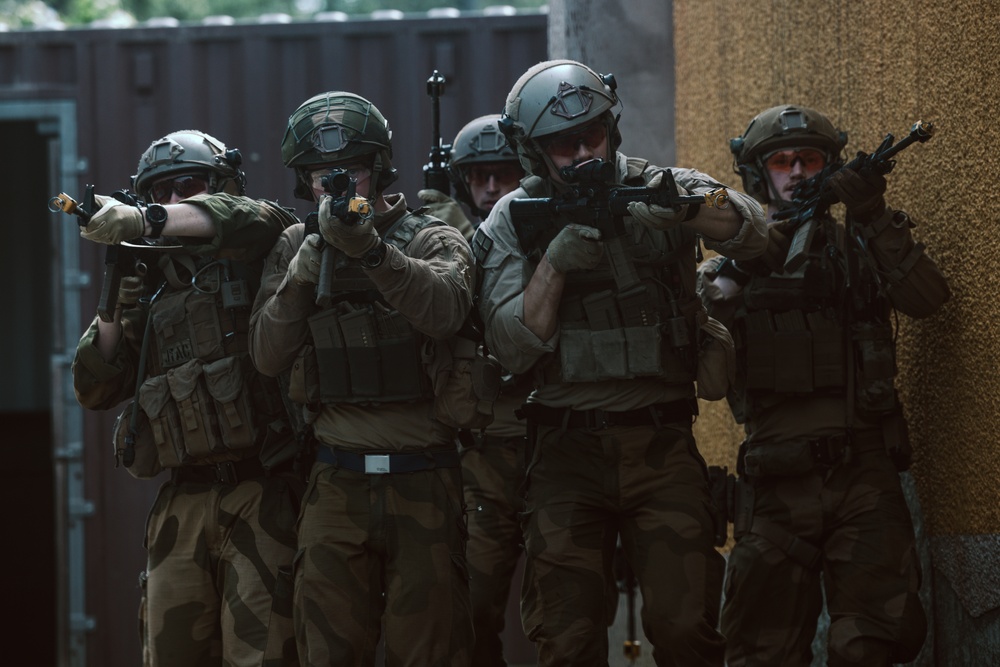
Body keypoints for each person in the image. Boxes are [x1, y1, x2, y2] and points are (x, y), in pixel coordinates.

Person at [474, 59, 768, 666]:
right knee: (567, 638)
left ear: (613, 128)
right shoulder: (512, 217)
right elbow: (508, 345)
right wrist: (554, 264)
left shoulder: (666, 183)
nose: (583, 153)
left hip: (660, 445)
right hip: (562, 453)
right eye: (563, 144)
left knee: (686, 629)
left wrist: (685, 209)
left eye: (593, 136)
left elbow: (754, 229)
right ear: (532, 152)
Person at [698, 104, 949, 666]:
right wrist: (742, 269)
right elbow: (702, 363)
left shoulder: (858, 243)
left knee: (872, 645)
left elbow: (929, 299)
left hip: (863, 474)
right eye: (782, 162)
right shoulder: (725, 267)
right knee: (760, 651)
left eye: (809, 159)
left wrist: (873, 214)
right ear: (759, 175)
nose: (797, 172)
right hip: (773, 485)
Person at [248, 91, 476, 666]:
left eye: (348, 173)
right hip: (336, 480)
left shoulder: (430, 237)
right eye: (323, 177)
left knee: (429, 651)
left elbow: (446, 311)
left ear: (377, 168)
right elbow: (267, 356)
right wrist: (302, 275)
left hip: (424, 475)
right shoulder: (296, 247)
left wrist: (373, 252)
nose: (337, 187)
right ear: (306, 182)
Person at [71, 129, 302, 666]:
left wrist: (145, 220)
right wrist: (117, 289)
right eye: (160, 194)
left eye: (189, 186)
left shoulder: (261, 242)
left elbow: (250, 217)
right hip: (183, 502)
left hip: (262, 494)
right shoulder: (151, 282)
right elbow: (94, 387)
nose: (174, 202)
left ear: (221, 185)